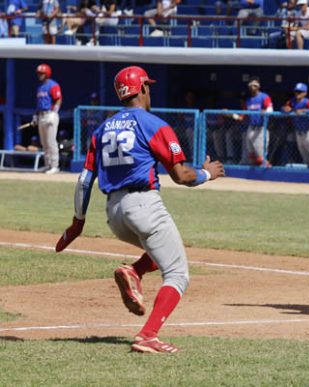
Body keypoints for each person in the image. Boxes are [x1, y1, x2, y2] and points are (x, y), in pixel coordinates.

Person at [54, 66, 225, 353]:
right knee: (178, 273)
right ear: (142, 88)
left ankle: (134, 271)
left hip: (114, 214)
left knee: (162, 251)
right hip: (143, 205)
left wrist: (77, 223)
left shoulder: (102, 129)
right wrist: (208, 174)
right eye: (149, 86)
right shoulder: (153, 124)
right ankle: (148, 335)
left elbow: (85, 180)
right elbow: (182, 176)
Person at [281, 82, 309, 168]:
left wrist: (305, 111)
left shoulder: (307, 102)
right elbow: (282, 108)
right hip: (299, 133)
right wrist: (285, 109)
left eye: (300, 92)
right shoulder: (292, 101)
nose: (297, 93)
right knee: (305, 157)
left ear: (305, 93)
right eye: (296, 91)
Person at [234, 77, 273, 166]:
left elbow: (270, 110)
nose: (253, 87)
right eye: (251, 85)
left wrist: (265, 112)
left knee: (260, 157)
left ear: (258, 86)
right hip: (251, 128)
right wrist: (231, 115)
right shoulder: (248, 100)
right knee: (251, 155)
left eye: (255, 85)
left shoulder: (264, 97)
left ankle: (268, 172)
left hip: (261, 128)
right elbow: (242, 117)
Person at [34, 64, 62, 174]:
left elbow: (58, 99)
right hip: (41, 115)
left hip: (50, 114)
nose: (40, 75)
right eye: (39, 73)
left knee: (51, 141)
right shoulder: (40, 87)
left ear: (47, 73)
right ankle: (47, 165)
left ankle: (55, 166)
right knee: (44, 142)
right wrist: (36, 115)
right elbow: (39, 103)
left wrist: (54, 112)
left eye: (42, 73)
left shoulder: (53, 85)